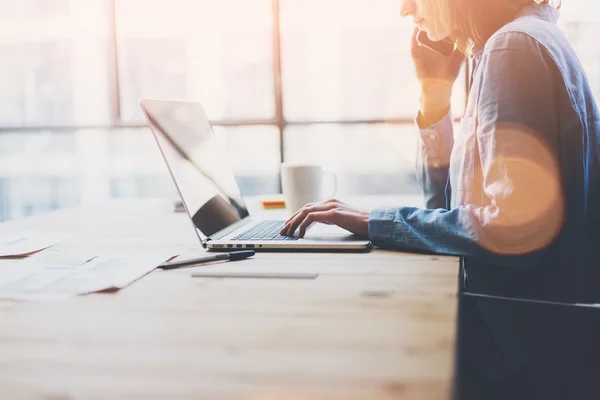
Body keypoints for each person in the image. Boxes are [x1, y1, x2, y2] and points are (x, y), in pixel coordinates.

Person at [280, 0, 600, 398]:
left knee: (330, 341)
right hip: (527, 330)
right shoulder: (520, 40)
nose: (405, 9)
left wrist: (376, 222)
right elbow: (448, 213)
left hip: (513, 348)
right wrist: (435, 97)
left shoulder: (512, 48)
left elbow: (512, 227)